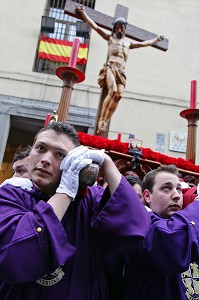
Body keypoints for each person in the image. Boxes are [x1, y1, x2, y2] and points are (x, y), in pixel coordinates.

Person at [0, 121, 150, 300]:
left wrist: (107, 163)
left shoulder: (90, 198)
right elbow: (18, 256)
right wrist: (65, 192)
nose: (46, 159)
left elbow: (135, 227)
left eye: (60, 155)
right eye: (40, 148)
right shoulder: (10, 195)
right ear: (31, 152)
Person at [76, 5, 164, 133]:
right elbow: (95, 27)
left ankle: (106, 120)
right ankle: (101, 120)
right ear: (114, 28)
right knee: (112, 91)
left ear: (124, 29)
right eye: (117, 26)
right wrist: (83, 14)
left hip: (121, 71)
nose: (119, 28)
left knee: (119, 95)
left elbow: (144, 43)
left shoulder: (128, 44)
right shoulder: (110, 39)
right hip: (111, 67)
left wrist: (156, 40)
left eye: (122, 27)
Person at [122, 164, 199, 299]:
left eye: (179, 190)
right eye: (166, 188)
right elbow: (169, 242)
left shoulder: (188, 226)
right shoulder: (141, 224)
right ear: (147, 196)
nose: (176, 196)